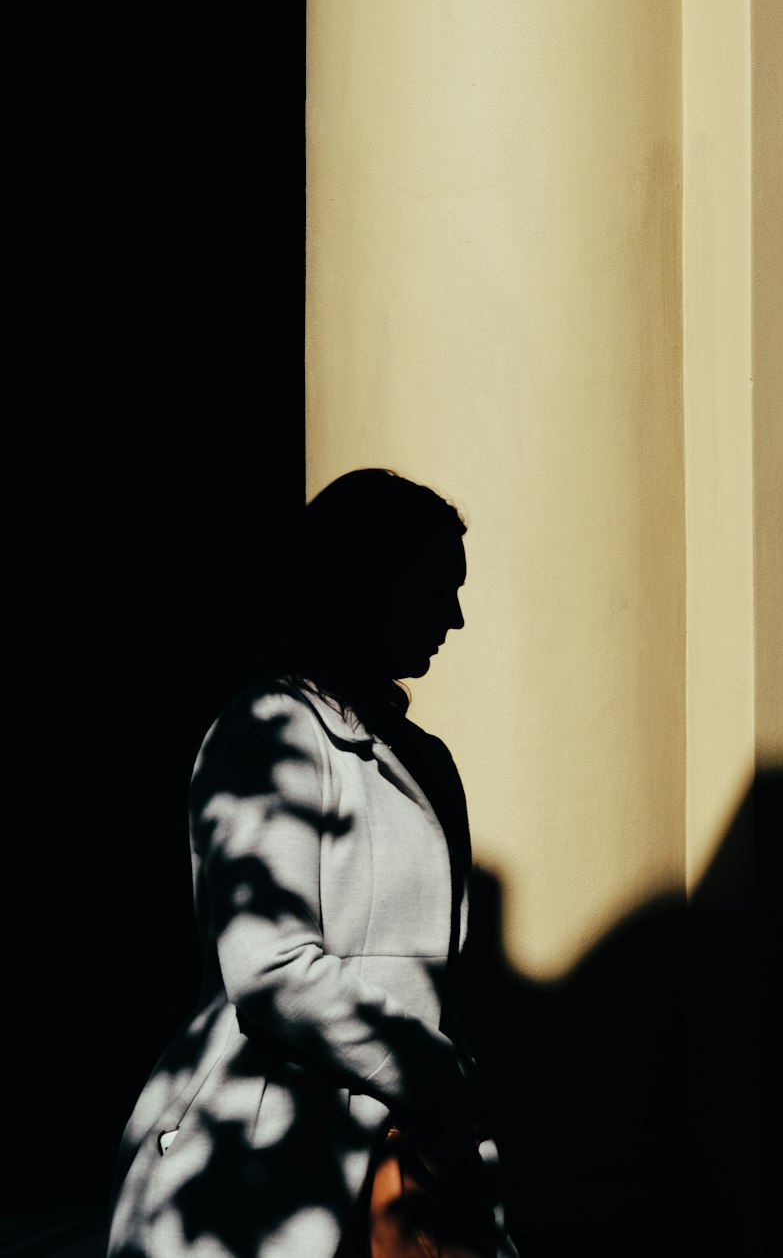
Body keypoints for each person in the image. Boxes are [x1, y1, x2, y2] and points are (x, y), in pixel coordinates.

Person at [107, 468, 517, 1258]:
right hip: (270, 1167)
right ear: (367, 582)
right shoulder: (270, 728)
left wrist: (459, 1108)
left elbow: (439, 981)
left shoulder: (425, 759)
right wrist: (434, 1077)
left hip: (411, 1159)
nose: (457, 617)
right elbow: (269, 965)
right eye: (437, 587)